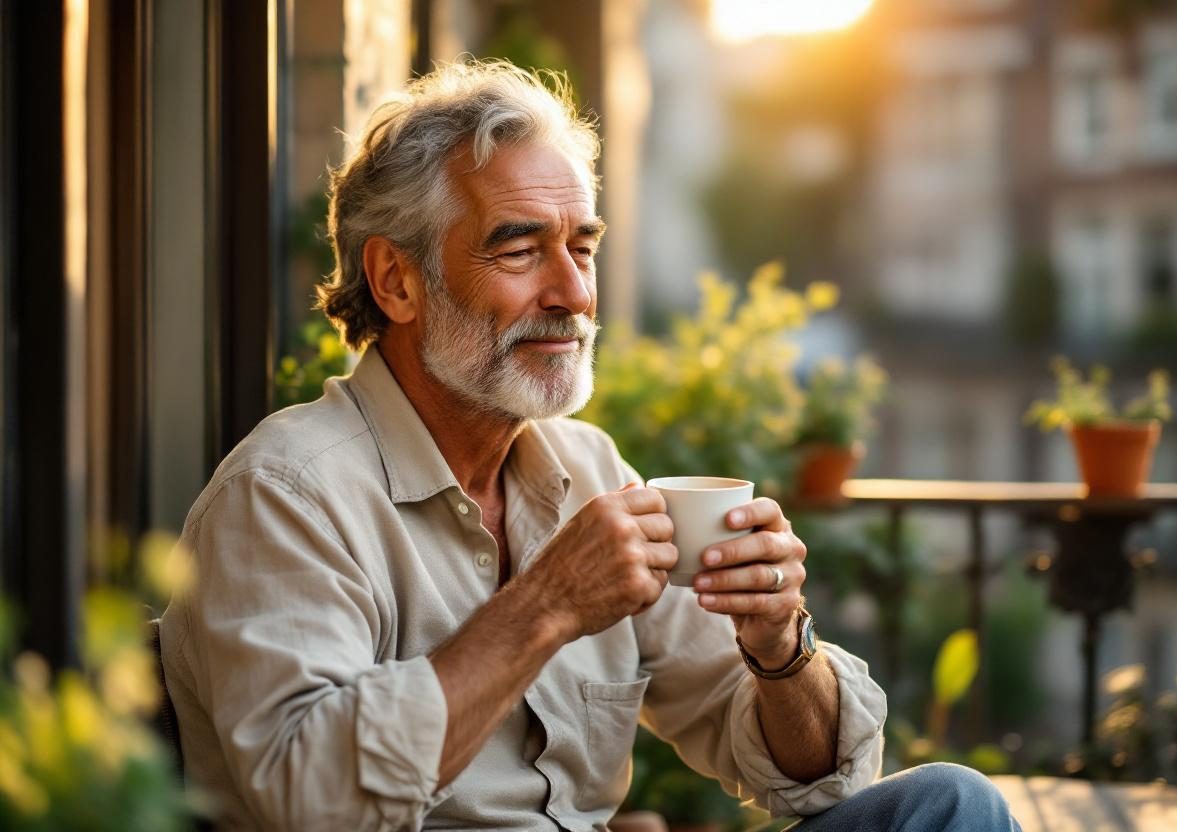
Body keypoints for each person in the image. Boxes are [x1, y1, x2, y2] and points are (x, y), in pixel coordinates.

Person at [159, 60, 1021, 832]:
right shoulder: (284, 493)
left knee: (952, 805)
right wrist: (547, 605)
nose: (573, 293)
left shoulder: (588, 471)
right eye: (520, 249)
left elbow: (809, 781)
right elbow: (307, 801)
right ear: (397, 281)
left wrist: (777, 643)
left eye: (582, 247)